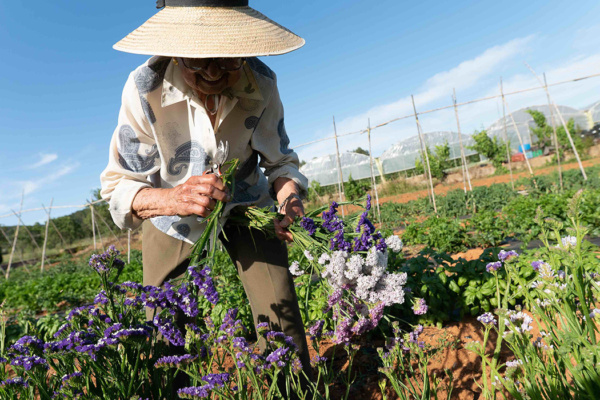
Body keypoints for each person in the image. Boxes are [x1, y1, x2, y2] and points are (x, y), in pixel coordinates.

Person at [100, 0, 312, 391]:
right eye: (198, 61)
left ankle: (291, 390)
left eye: (228, 60)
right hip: (171, 216)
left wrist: (288, 199)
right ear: (176, 50)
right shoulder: (145, 88)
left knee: (280, 313)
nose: (214, 72)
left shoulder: (261, 82)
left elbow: (281, 162)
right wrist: (171, 199)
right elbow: (118, 185)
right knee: (165, 325)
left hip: (249, 207)